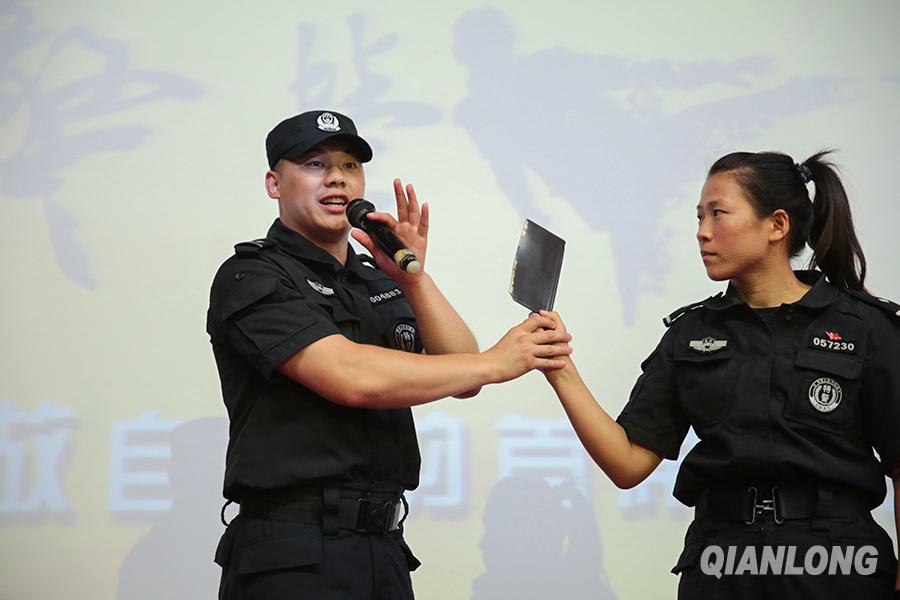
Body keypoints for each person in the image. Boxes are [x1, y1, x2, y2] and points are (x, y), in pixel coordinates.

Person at [206, 109, 571, 600]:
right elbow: (350, 375)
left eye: (350, 166)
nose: (337, 177)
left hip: (383, 546)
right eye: (315, 164)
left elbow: (461, 375)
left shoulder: (376, 277)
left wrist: (413, 280)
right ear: (274, 184)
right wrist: (495, 360)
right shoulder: (252, 275)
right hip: (293, 550)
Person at [540, 150, 899, 598]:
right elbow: (628, 463)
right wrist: (559, 367)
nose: (702, 232)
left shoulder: (864, 328)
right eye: (699, 217)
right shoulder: (691, 333)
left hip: (838, 562)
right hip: (721, 562)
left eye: (718, 214)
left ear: (777, 225)